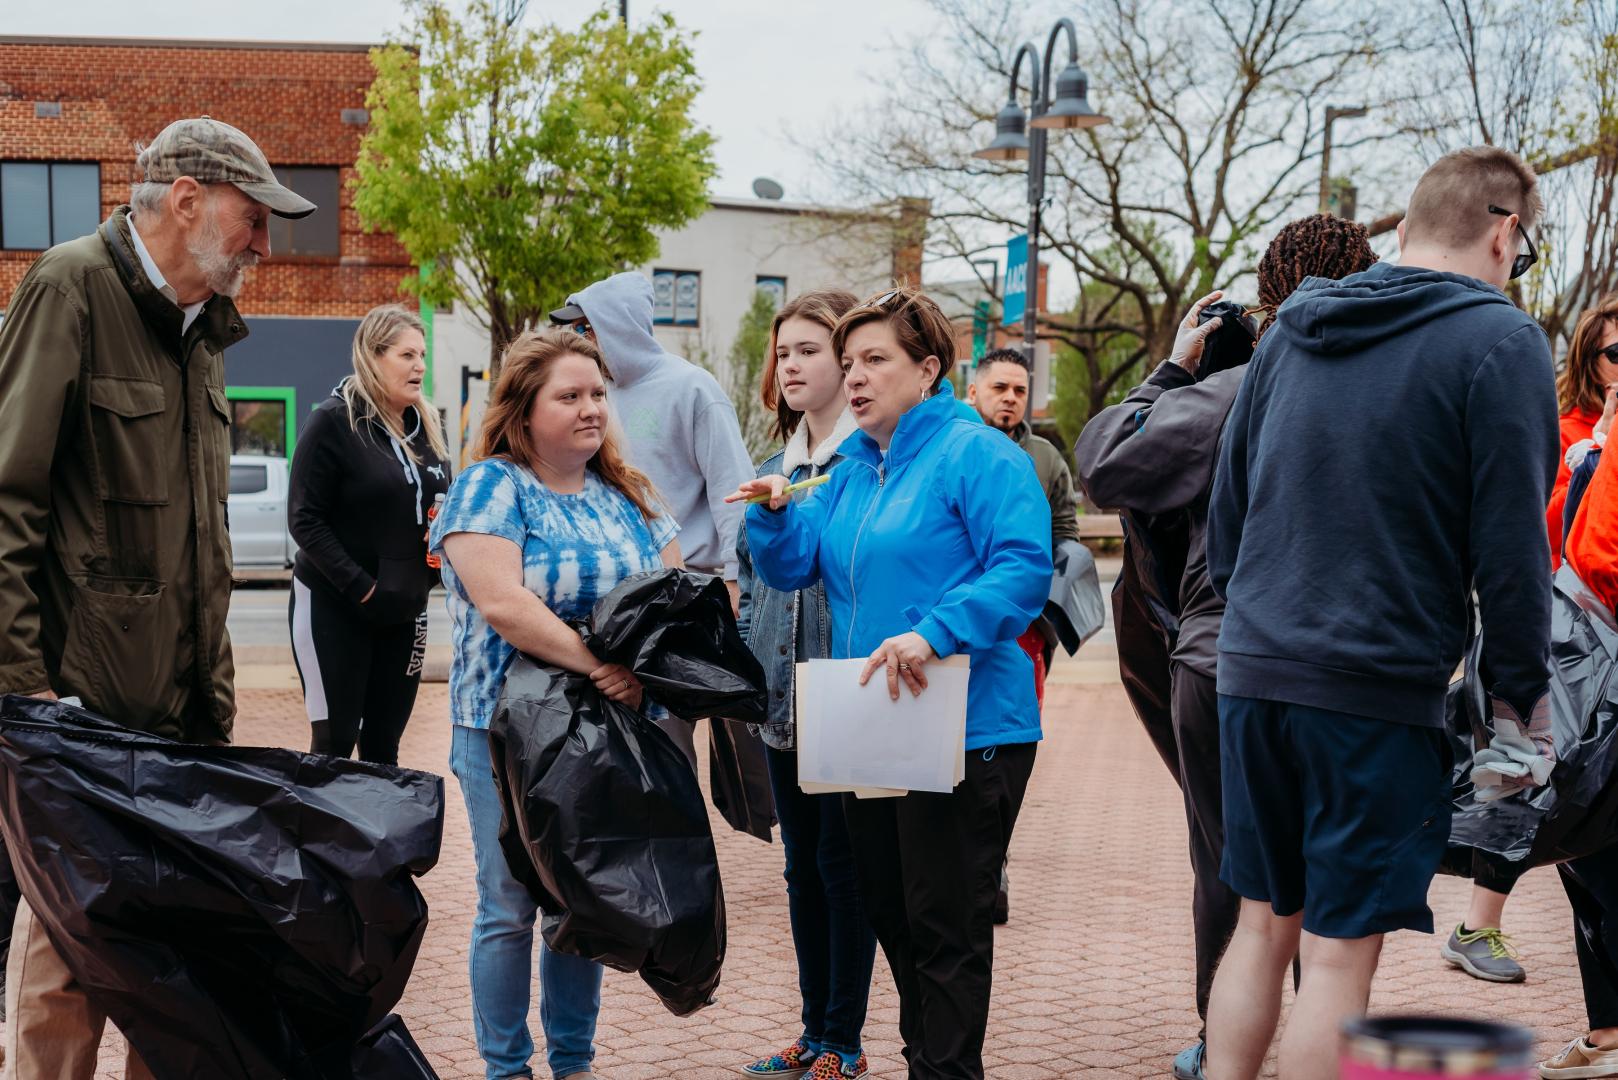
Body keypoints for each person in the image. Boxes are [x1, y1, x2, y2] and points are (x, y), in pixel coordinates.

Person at [1201, 146, 1557, 1080]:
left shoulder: (1291, 329)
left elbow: (1227, 516)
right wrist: (1519, 705)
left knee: (1260, 928)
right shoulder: (1501, 342)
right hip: (1375, 682)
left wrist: (1265, 618)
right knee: (1336, 956)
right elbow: (1516, 550)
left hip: (1255, 668)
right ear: (1504, 230)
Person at [0, 116, 313, 1079]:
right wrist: (27, 695)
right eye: (253, 219)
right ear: (187, 200)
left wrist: (214, 702)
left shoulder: (204, 335)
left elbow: (200, 547)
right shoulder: (69, 286)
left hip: (182, 722)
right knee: (64, 969)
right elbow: (8, 499)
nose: (265, 243)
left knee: (174, 971)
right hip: (81, 721)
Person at [1076, 212, 1379, 1079]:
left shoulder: (1241, 390)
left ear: (1266, 295)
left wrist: (1177, 366)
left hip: (1229, 657)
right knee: (1341, 891)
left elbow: (1108, 462)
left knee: (1233, 868)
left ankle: (1226, 1044)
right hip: (1363, 663)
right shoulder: (1401, 386)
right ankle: (1321, 1032)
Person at [729, 286, 1052, 1080]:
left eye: (875, 360)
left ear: (929, 369)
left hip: (970, 726)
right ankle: (927, 1063)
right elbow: (797, 561)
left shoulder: (978, 454)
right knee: (894, 918)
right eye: (850, 363)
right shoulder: (852, 471)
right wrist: (773, 512)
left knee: (946, 926)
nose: (857, 378)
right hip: (876, 728)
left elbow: (1023, 570)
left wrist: (936, 630)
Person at [430, 328, 680, 1080]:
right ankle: (507, 1068)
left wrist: (640, 674)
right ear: (525, 410)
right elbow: (503, 603)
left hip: (605, 735)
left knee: (582, 907)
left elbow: (671, 599)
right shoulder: (491, 486)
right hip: (504, 735)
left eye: (597, 394)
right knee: (508, 907)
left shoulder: (627, 496)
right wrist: (601, 661)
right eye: (568, 396)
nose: (590, 408)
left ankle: (574, 1064)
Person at [734, 288, 877, 1080]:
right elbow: (753, 584)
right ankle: (813, 1031)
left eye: (809, 351)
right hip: (780, 700)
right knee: (799, 867)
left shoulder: (865, 464)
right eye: (783, 351)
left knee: (841, 867)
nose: (790, 364)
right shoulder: (776, 463)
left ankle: (844, 1041)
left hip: (846, 691)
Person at [287, 304, 451, 765]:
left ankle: (380, 842)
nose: (420, 365)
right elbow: (304, 519)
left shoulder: (427, 427)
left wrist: (437, 563)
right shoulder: (332, 422)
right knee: (334, 747)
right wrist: (363, 590)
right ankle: (322, 840)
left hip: (406, 613)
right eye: (406, 355)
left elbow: (440, 507)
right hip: (336, 607)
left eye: (422, 355)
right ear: (373, 357)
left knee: (383, 750)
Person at [552, 272, 753, 614]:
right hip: (606, 585)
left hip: (683, 582)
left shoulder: (692, 387)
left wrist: (736, 579)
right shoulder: (593, 397)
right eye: (575, 330)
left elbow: (731, 486)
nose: (579, 340)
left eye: (587, 328)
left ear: (619, 326)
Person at [965, 346, 1081, 925]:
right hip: (954, 626)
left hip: (1025, 632)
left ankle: (994, 860)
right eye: (1000, 388)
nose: (1010, 399)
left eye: (1019, 390)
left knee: (1008, 746)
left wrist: (1041, 615)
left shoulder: (1044, 458)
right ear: (975, 390)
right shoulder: (954, 447)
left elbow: (1065, 534)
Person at [1550, 295, 1618, 566]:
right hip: (1590, 593)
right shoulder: (1565, 431)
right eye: (1617, 353)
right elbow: (1547, 530)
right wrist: (1595, 456)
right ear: (1589, 363)